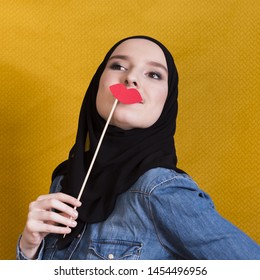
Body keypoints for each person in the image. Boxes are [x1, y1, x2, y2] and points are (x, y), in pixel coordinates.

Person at [17, 35, 260, 260]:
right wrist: (29, 248)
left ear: (167, 102)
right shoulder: (65, 181)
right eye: (118, 66)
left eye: (153, 74)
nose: (131, 78)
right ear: (97, 84)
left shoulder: (162, 192)